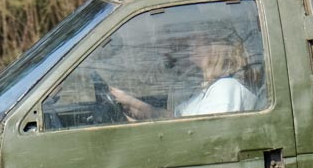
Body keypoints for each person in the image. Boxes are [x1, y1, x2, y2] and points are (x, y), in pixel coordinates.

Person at [110, 40, 259, 120]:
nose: (192, 47)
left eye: (199, 44)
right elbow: (173, 117)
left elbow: (212, 135)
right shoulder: (209, 89)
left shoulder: (225, 88)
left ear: (215, 51)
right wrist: (130, 103)